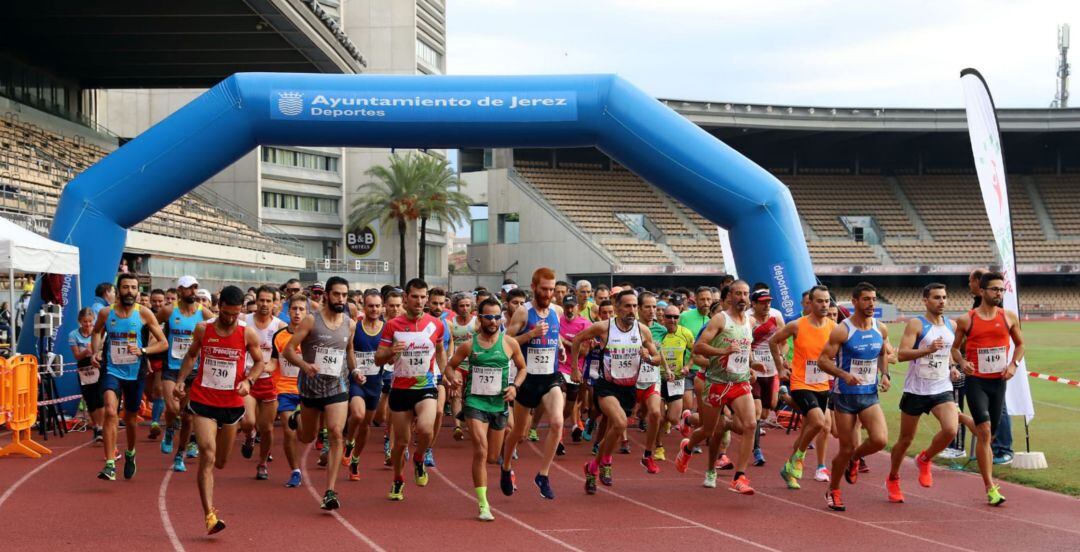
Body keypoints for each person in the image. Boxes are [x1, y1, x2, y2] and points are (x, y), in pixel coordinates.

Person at [174, 285, 266, 535]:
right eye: (226, 313)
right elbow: (192, 356)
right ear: (219, 306)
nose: (230, 319)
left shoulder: (247, 334)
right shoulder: (204, 329)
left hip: (232, 405)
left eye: (235, 314)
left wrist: (249, 381)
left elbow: (259, 362)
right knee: (208, 453)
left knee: (222, 462)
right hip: (204, 400)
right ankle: (209, 515)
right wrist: (181, 380)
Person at [571, 290, 660, 494]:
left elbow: (657, 359)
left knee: (618, 429)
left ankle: (593, 466)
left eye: (634, 306)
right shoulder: (604, 328)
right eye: (627, 306)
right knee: (620, 423)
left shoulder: (643, 330)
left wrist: (648, 357)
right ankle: (606, 462)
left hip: (628, 388)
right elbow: (577, 340)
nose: (631, 310)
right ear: (617, 308)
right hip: (607, 386)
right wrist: (575, 368)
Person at [447, 298, 528, 521]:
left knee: (493, 457)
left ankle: (505, 469)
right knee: (480, 450)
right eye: (488, 317)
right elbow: (450, 366)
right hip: (475, 403)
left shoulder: (510, 343)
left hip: (499, 404)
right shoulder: (469, 345)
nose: (493, 321)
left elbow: (522, 369)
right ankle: (483, 505)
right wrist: (452, 379)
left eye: (496, 317)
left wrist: (514, 386)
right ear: (479, 318)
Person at [674, 280, 757, 494]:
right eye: (738, 293)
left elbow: (745, 347)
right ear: (730, 296)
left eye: (745, 294)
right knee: (710, 429)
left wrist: (751, 364)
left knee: (750, 425)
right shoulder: (721, 319)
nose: (742, 297)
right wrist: (724, 352)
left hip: (739, 382)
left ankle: (739, 477)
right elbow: (698, 347)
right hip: (716, 384)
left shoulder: (750, 321)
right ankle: (688, 447)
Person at [283, 276, 358, 510]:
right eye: (337, 294)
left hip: (337, 386)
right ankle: (298, 418)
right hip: (311, 387)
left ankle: (329, 491)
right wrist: (305, 366)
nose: (341, 299)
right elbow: (288, 351)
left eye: (345, 295)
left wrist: (355, 372)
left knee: (336, 433)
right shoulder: (310, 321)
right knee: (307, 436)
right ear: (326, 295)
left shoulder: (350, 323)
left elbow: (349, 351)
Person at [951, 271, 1024, 506]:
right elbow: (954, 349)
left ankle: (960, 417)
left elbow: (1021, 344)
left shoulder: (1009, 317)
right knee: (984, 431)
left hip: (998, 383)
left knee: (989, 435)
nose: (999, 293)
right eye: (995, 289)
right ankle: (990, 487)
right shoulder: (967, 319)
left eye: (1002, 290)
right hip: (977, 382)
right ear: (982, 291)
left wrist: (1013, 364)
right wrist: (962, 363)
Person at [818, 282, 891, 512]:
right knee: (845, 447)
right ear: (855, 301)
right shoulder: (843, 330)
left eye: (873, 299)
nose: (871, 304)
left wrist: (885, 374)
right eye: (866, 299)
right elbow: (823, 360)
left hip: (869, 394)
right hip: (845, 396)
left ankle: (855, 459)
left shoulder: (881, 328)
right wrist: (843, 374)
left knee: (880, 440)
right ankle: (834, 490)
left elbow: (882, 353)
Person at [887, 283, 960, 503]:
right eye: (937, 297)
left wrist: (953, 367)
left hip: (941, 388)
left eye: (944, 297)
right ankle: (893, 478)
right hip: (916, 390)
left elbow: (949, 353)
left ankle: (925, 458)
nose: (942, 301)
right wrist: (927, 350)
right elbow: (902, 354)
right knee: (905, 440)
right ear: (925, 300)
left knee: (950, 430)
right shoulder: (917, 324)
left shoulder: (952, 326)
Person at [90, 273, 168, 481]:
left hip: (136, 372)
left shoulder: (144, 314)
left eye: (134, 288)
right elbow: (96, 332)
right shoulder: (107, 313)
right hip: (112, 369)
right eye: (126, 287)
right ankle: (109, 463)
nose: (130, 292)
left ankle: (131, 453)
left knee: (131, 420)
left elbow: (163, 343)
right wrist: (95, 351)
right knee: (109, 410)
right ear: (118, 290)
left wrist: (143, 351)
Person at [375, 279, 447, 501]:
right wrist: (390, 352)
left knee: (426, 429)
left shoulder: (436, 324)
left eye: (422, 297)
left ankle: (419, 458)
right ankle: (398, 479)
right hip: (400, 388)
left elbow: (441, 351)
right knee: (400, 443)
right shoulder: (392, 325)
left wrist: (444, 375)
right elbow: (378, 359)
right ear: (406, 298)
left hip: (425, 386)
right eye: (414, 296)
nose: (419, 301)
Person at [500, 268, 565, 500]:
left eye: (552, 289)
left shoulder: (557, 311)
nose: (549, 293)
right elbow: (506, 343)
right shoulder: (522, 313)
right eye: (544, 289)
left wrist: (561, 348)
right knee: (518, 431)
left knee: (557, 422)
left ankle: (543, 474)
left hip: (550, 377)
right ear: (534, 287)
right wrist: (530, 335)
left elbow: (555, 335)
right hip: (526, 379)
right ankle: (506, 467)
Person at [770, 285, 836, 490]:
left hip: (822, 383)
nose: (824, 305)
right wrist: (780, 368)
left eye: (827, 301)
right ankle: (799, 458)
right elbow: (774, 341)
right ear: (810, 303)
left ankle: (788, 468)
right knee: (818, 422)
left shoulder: (833, 327)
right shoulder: (797, 325)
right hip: (800, 382)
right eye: (820, 301)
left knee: (809, 428)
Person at [158, 276, 215, 472]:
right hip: (171, 367)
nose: (193, 292)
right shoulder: (168, 311)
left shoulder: (203, 312)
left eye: (195, 288)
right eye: (188, 288)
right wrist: (152, 345)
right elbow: (151, 325)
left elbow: (219, 326)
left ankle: (179, 454)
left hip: (194, 370)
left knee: (189, 417)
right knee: (173, 409)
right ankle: (169, 431)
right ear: (180, 291)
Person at [239, 286, 287, 480]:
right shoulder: (244, 321)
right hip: (247, 379)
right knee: (249, 421)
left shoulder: (280, 326)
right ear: (256, 301)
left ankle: (262, 462)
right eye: (262, 300)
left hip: (270, 381)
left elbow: (284, 354)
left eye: (269, 301)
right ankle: (249, 436)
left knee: (266, 429)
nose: (265, 304)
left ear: (275, 303)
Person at [344, 289, 385, 481]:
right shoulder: (355, 326)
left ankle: (356, 460)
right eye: (370, 305)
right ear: (364, 307)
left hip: (375, 382)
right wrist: (354, 371)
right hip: (357, 380)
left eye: (377, 305)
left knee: (366, 424)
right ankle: (349, 442)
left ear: (382, 307)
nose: (374, 309)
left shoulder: (387, 328)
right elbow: (350, 350)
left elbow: (389, 354)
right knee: (357, 414)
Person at [272, 293, 307, 488]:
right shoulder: (280, 336)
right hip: (285, 389)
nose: (297, 313)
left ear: (307, 313)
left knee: (304, 434)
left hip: (308, 391)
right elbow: (273, 362)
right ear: (288, 311)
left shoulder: (312, 337)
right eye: (294, 309)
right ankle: (295, 470)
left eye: (302, 309)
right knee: (288, 431)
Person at [749, 288, 785, 466]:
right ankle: (756, 450)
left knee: (767, 408)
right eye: (762, 302)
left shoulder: (776, 318)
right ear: (753, 304)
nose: (767, 305)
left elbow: (784, 341)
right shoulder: (748, 320)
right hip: (753, 371)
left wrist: (782, 358)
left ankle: (743, 423)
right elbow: (744, 343)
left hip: (771, 370)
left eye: (768, 301)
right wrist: (750, 362)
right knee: (756, 412)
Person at [653, 305, 693, 461]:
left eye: (675, 317)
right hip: (658, 379)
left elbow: (694, 351)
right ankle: (659, 447)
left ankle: (674, 422)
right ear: (663, 317)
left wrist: (687, 366)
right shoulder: (657, 334)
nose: (672, 320)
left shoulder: (685, 333)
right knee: (660, 417)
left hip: (676, 379)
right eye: (669, 317)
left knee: (674, 418)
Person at [633, 291, 666, 472]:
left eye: (654, 306)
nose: (652, 310)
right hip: (629, 382)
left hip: (652, 378)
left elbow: (658, 356)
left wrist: (649, 359)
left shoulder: (660, 330)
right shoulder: (629, 327)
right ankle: (600, 456)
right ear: (639, 308)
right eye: (648, 307)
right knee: (616, 423)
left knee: (656, 414)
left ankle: (648, 454)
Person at [558, 294, 590, 448]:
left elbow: (584, 351)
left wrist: (564, 341)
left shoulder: (585, 324)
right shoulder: (557, 321)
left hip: (575, 371)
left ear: (577, 307)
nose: (569, 310)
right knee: (560, 399)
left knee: (568, 408)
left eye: (572, 306)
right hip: (558, 368)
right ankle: (558, 439)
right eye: (567, 306)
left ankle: (561, 426)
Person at [69, 308, 104, 442]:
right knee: (90, 400)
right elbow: (77, 356)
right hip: (84, 367)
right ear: (79, 321)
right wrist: (87, 351)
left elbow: (102, 349)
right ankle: (95, 425)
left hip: (98, 365)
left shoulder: (99, 332)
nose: (88, 325)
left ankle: (100, 427)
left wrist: (97, 352)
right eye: (85, 322)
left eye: (90, 321)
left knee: (100, 397)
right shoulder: (73, 335)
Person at [448, 293, 477, 442]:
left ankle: (472, 423)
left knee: (471, 396)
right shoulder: (451, 323)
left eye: (467, 305)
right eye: (461, 305)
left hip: (474, 364)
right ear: (456, 307)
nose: (465, 308)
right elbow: (449, 343)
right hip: (458, 363)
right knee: (456, 393)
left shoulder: (477, 322)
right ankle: (457, 426)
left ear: (472, 306)